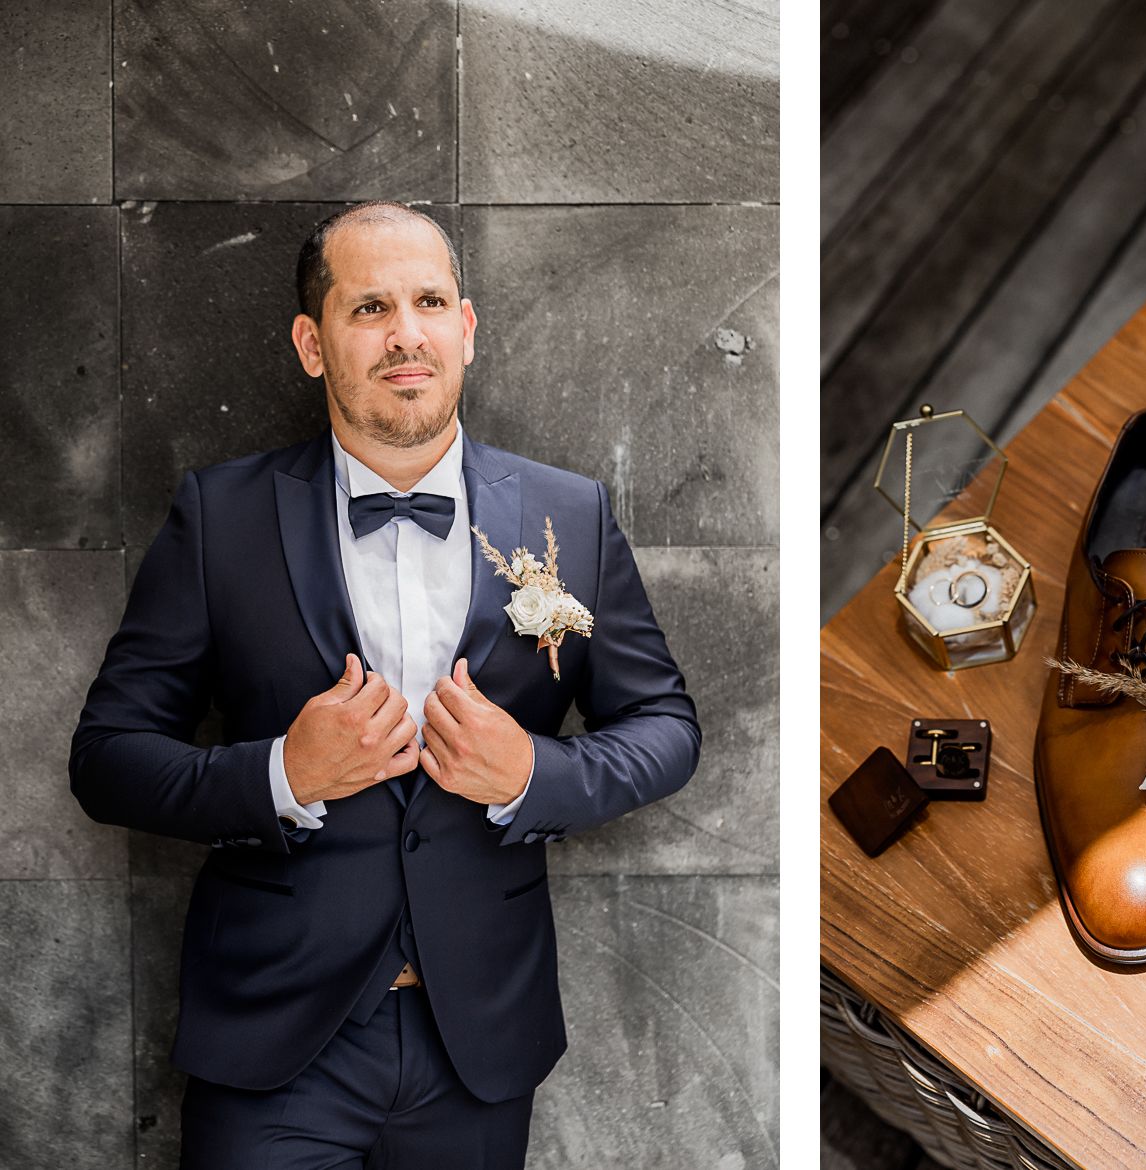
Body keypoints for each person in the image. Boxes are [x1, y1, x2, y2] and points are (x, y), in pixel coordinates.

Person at [69, 200, 701, 1167]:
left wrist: (532, 773)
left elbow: (663, 724)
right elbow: (107, 759)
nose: (406, 333)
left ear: (467, 328)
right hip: (275, 1045)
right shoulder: (221, 516)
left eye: (429, 301)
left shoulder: (570, 515)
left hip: (477, 1040)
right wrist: (283, 774)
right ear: (312, 344)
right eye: (368, 308)